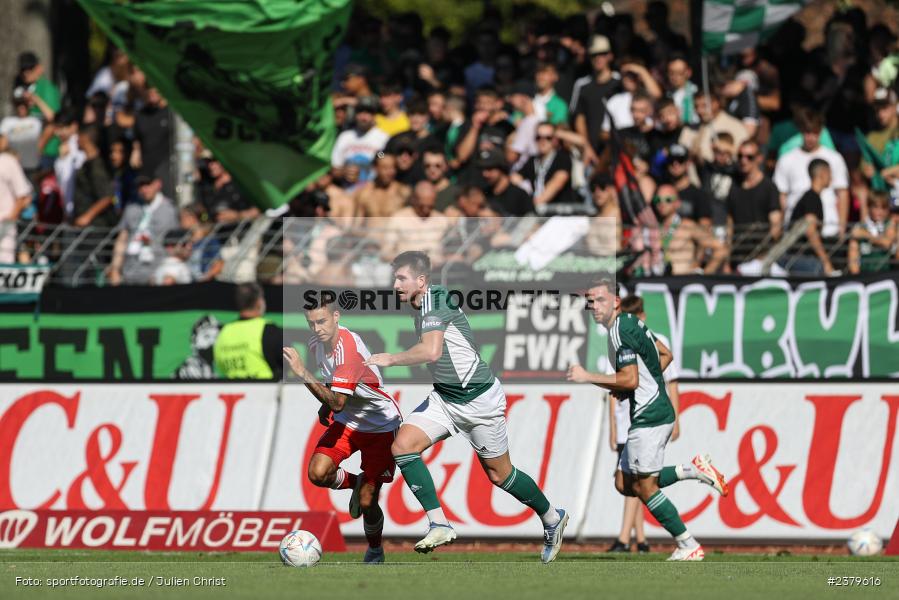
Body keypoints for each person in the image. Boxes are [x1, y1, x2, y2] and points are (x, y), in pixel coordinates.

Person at [363, 252, 568, 563]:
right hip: (445, 398)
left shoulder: (436, 300)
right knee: (403, 445)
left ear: (421, 280)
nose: (395, 285)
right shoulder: (418, 306)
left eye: (401, 278)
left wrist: (390, 358)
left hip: (478, 400)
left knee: (501, 476)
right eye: (395, 278)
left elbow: (431, 352)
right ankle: (439, 523)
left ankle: (552, 517)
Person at [567, 277, 728, 562]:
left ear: (616, 301)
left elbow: (629, 378)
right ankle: (693, 470)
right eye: (590, 301)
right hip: (652, 411)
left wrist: (588, 376)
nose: (594, 306)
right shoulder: (631, 322)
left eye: (600, 299)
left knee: (645, 487)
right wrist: (639, 385)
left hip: (649, 417)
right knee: (623, 483)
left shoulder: (618, 331)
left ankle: (687, 543)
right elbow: (665, 355)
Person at [282, 299, 402, 564]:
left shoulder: (346, 349)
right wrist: (327, 409)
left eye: (322, 321)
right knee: (318, 473)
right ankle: (355, 482)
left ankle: (374, 550)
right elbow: (333, 385)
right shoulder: (317, 345)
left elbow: (337, 401)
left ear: (336, 316)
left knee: (369, 502)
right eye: (311, 323)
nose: (317, 328)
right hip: (348, 420)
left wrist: (302, 372)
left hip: (379, 425)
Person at [773, 108, 849, 238]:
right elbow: (781, 196)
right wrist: (780, 226)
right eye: (807, 132)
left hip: (829, 230)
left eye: (815, 133)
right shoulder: (786, 159)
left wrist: (841, 227)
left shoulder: (834, 158)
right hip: (794, 232)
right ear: (801, 131)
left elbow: (842, 194)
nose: (811, 138)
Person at [108, 176, 179, 285]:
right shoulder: (131, 208)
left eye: (148, 185)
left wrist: (169, 272)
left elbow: (176, 245)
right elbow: (122, 239)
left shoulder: (170, 209)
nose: (144, 189)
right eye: (141, 186)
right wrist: (115, 269)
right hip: (130, 273)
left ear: (158, 184)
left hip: (158, 275)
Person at [213, 282, 283, 379]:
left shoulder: (223, 332)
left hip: (234, 391)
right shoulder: (269, 330)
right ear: (258, 302)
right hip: (265, 391)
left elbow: (220, 366)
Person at [654, 184, 727, 274]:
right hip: (659, 283)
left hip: (683, 283)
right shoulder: (653, 228)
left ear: (677, 203)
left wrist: (705, 275)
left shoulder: (687, 226)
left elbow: (721, 249)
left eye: (668, 200)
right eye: (657, 200)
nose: (662, 203)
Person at [782, 159, 837, 276]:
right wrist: (825, 261)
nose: (831, 178)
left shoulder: (810, 197)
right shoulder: (812, 199)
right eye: (830, 173)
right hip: (800, 258)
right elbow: (810, 230)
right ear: (823, 173)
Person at [573, 35, 622, 166]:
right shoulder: (582, 85)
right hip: (591, 153)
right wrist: (586, 147)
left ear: (610, 56)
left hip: (618, 150)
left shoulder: (620, 82)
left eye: (603, 54)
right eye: (594, 54)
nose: (598, 58)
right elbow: (579, 118)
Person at [726, 140, 783, 246]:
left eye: (749, 157)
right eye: (740, 156)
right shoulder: (734, 185)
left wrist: (762, 255)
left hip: (761, 255)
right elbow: (730, 222)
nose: (744, 160)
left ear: (759, 159)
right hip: (737, 253)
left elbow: (776, 227)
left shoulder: (769, 187)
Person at [331, 96, 389, 188]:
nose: (363, 118)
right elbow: (335, 167)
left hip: (372, 189)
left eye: (368, 113)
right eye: (360, 113)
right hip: (347, 189)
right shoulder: (345, 137)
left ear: (374, 116)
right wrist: (344, 172)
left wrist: (377, 155)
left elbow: (383, 159)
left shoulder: (382, 137)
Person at [514, 122, 575, 208]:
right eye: (538, 137)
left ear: (555, 140)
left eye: (548, 138)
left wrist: (530, 207)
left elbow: (557, 184)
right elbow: (515, 178)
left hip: (558, 212)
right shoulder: (533, 160)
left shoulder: (563, 158)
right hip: (536, 210)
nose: (542, 141)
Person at [0, 141, 33, 263]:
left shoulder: (8, 161)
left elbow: (23, 194)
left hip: (5, 223)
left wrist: (12, 215)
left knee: (5, 262)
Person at [848, 192, 896, 274]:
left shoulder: (890, 224)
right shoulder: (860, 227)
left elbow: (887, 242)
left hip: (887, 274)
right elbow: (852, 260)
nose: (879, 211)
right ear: (869, 207)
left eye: (883, 208)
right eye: (876, 207)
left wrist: (866, 235)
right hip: (865, 276)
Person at [478, 148, 534, 216]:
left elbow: (534, 222)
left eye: (489, 169)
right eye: (482, 169)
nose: (485, 174)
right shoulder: (484, 195)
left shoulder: (519, 194)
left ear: (501, 168)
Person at [355, 152, 410, 218]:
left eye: (393, 168)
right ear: (375, 168)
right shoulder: (364, 193)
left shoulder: (402, 192)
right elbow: (357, 223)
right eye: (385, 168)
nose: (390, 172)